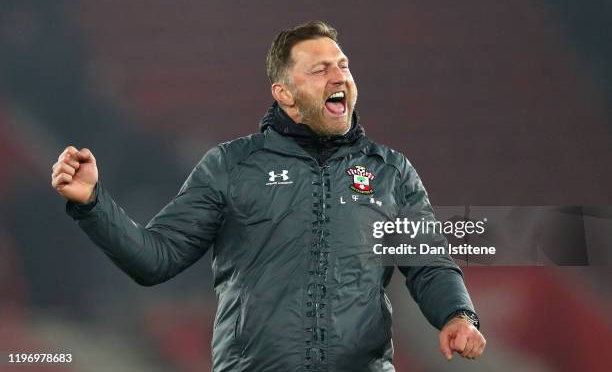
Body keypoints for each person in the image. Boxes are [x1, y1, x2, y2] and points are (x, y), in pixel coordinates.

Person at [51, 20, 486, 371]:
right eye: (320, 70)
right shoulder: (231, 167)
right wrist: (92, 203)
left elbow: (429, 265)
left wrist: (457, 315)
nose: (339, 77)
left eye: (344, 65)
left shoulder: (391, 171)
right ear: (286, 96)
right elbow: (155, 258)